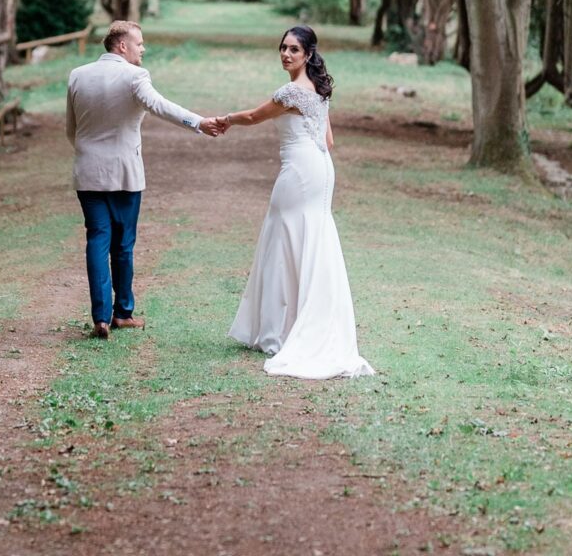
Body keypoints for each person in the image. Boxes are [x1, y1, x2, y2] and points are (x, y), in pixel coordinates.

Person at [220, 25, 374, 379]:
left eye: (293, 49)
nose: (286, 54)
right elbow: (329, 140)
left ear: (307, 55)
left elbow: (254, 117)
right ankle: (296, 319)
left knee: (284, 237)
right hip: (321, 168)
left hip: (300, 171)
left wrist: (224, 120)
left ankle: (278, 330)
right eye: (283, 48)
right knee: (311, 236)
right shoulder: (320, 89)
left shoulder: (290, 92)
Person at [66, 19, 227, 338]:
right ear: (122, 46)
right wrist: (199, 122)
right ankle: (122, 313)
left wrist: (90, 153)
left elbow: (72, 129)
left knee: (97, 238)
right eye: (139, 43)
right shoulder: (135, 76)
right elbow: (159, 106)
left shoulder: (77, 75)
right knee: (123, 244)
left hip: (87, 171)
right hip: (124, 172)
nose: (143, 49)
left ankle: (100, 317)